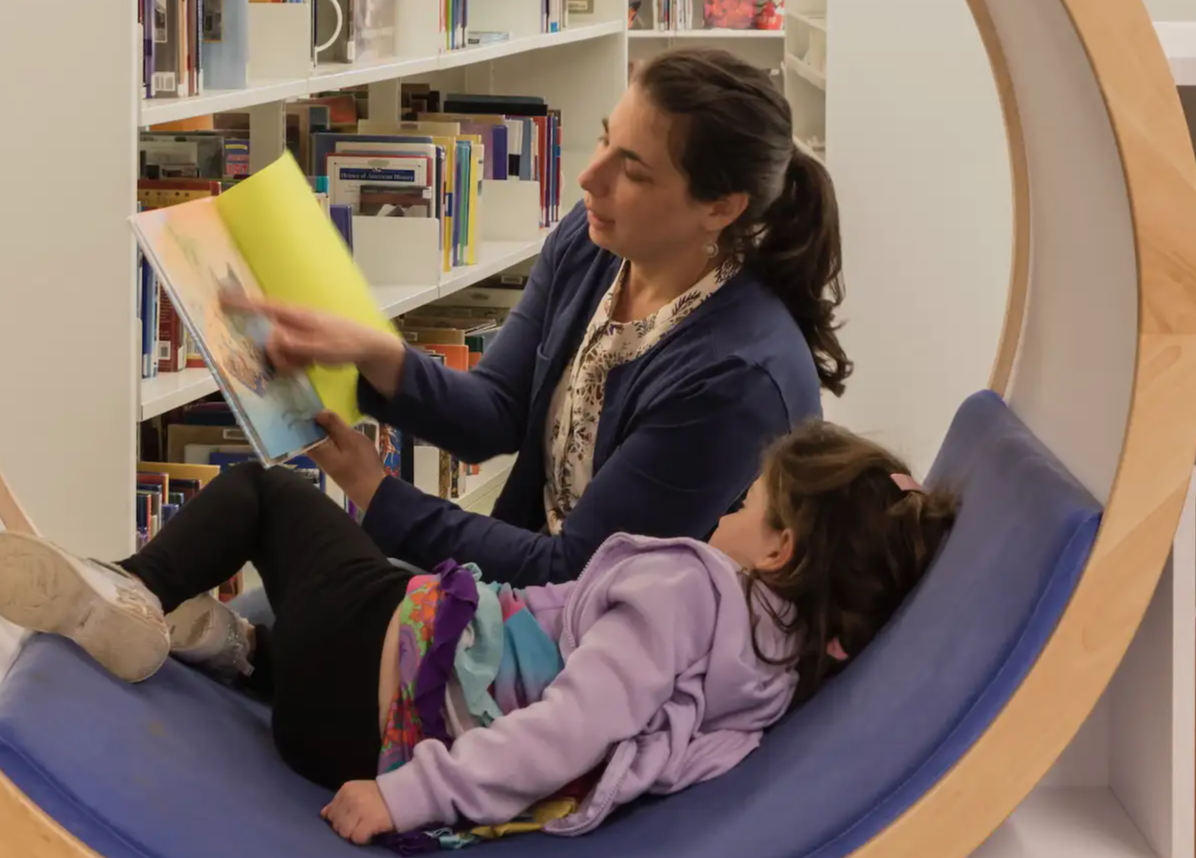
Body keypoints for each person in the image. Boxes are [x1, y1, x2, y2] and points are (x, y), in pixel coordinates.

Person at [0, 421, 953, 846]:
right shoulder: (773, 675)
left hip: (372, 688)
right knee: (381, 596)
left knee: (269, 494)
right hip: (350, 713)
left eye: (749, 501)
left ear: (776, 548)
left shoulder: (689, 588)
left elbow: (572, 723)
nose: (727, 510)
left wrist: (408, 797)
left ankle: (130, 594)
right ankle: (228, 645)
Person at [250, 47, 849, 588]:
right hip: (528, 596)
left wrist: (376, 493)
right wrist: (374, 356)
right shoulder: (594, 246)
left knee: (271, 537)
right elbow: (498, 414)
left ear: (721, 208)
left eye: (634, 171)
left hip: (611, 646)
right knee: (265, 544)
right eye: (603, 140)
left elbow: (577, 571)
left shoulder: (734, 380)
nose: (590, 178)